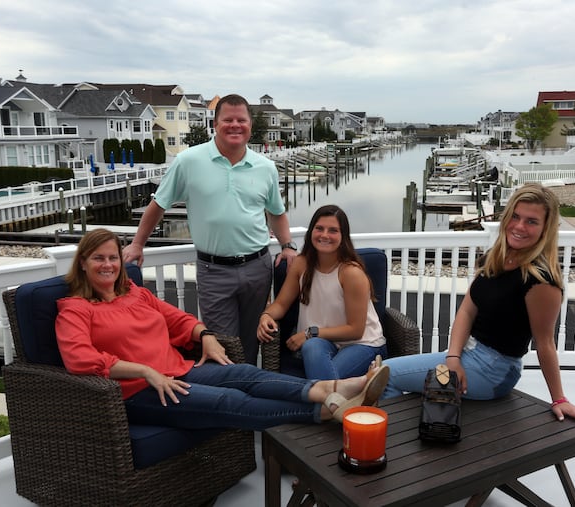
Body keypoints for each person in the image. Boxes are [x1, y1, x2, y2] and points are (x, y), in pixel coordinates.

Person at [55, 229, 390, 432]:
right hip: (137, 391)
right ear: (82, 262)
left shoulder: (137, 295)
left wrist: (205, 336)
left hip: (180, 370)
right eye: (98, 258)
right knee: (232, 399)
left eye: (113, 257)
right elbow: (81, 361)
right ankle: (330, 410)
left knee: (246, 374)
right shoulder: (75, 309)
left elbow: (179, 320)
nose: (108, 265)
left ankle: (336, 387)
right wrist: (144, 371)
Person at [381, 184, 575, 426]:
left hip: (494, 370)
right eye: (515, 216)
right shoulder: (497, 258)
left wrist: (559, 399)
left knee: (386, 375)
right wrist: (453, 357)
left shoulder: (540, 281)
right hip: (468, 355)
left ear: (546, 229)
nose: (519, 226)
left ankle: (390, 436)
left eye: (531, 221)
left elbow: (545, 343)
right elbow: (467, 310)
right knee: (382, 375)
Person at [122, 94, 297, 365]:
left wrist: (287, 245)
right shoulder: (189, 161)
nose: (235, 125)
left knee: (253, 340)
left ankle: (248, 395)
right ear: (215, 123)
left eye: (242, 120)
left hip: (258, 267)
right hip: (214, 271)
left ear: (251, 125)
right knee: (223, 343)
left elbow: (276, 212)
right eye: (228, 119)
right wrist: (137, 244)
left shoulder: (266, 167)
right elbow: (159, 205)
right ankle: (230, 397)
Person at [257, 205, 387, 379]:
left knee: (323, 380)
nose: (324, 235)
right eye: (319, 228)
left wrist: (309, 333)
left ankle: (322, 398)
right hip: (320, 343)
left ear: (343, 236)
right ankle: (350, 394)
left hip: (362, 344)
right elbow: (281, 304)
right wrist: (266, 315)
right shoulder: (301, 263)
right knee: (312, 346)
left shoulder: (350, 273)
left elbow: (355, 330)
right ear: (311, 231)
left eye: (333, 230)